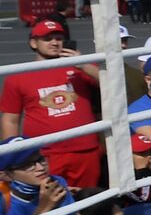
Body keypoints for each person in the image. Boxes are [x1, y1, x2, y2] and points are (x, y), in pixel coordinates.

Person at [0, 20, 105, 188]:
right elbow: (10, 119)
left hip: (85, 150)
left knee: (88, 201)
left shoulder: (81, 67)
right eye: (47, 39)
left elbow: (112, 85)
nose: (55, 42)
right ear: (33, 43)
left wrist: (83, 64)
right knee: (51, 202)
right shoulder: (17, 76)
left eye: (59, 38)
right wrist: (11, 157)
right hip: (43, 156)